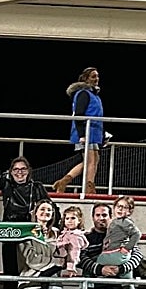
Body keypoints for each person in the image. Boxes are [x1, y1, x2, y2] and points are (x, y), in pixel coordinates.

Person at [0, 138, 50, 282]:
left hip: (30, 233)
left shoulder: (37, 187)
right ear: (11, 172)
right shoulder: (7, 185)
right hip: (10, 232)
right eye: (16, 169)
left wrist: (47, 225)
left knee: (30, 272)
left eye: (23, 169)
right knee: (10, 273)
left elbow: (51, 208)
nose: (19, 172)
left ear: (28, 171)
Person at [52, 67, 104, 196]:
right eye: (93, 76)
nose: (96, 79)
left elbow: (97, 115)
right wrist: (81, 134)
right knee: (91, 160)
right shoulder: (83, 93)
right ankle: (89, 188)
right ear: (85, 79)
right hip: (86, 132)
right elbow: (79, 114)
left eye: (97, 76)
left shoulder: (93, 95)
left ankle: (64, 181)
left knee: (93, 160)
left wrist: (103, 135)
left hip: (93, 132)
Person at [97, 195, 139, 268]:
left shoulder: (125, 221)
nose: (120, 209)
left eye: (124, 207)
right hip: (111, 251)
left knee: (100, 261)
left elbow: (137, 234)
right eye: (118, 206)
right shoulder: (116, 221)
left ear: (129, 211)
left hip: (117, 252)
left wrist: (127, 248)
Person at [54, 204, 89, 278]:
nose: (70, 221)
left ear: (79, 220)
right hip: (58, 261)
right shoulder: (64, 233)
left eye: (73, 218)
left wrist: (70, 267)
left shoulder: (76, 236)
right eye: (67, 218)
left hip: (66, 264)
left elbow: (74, 251)